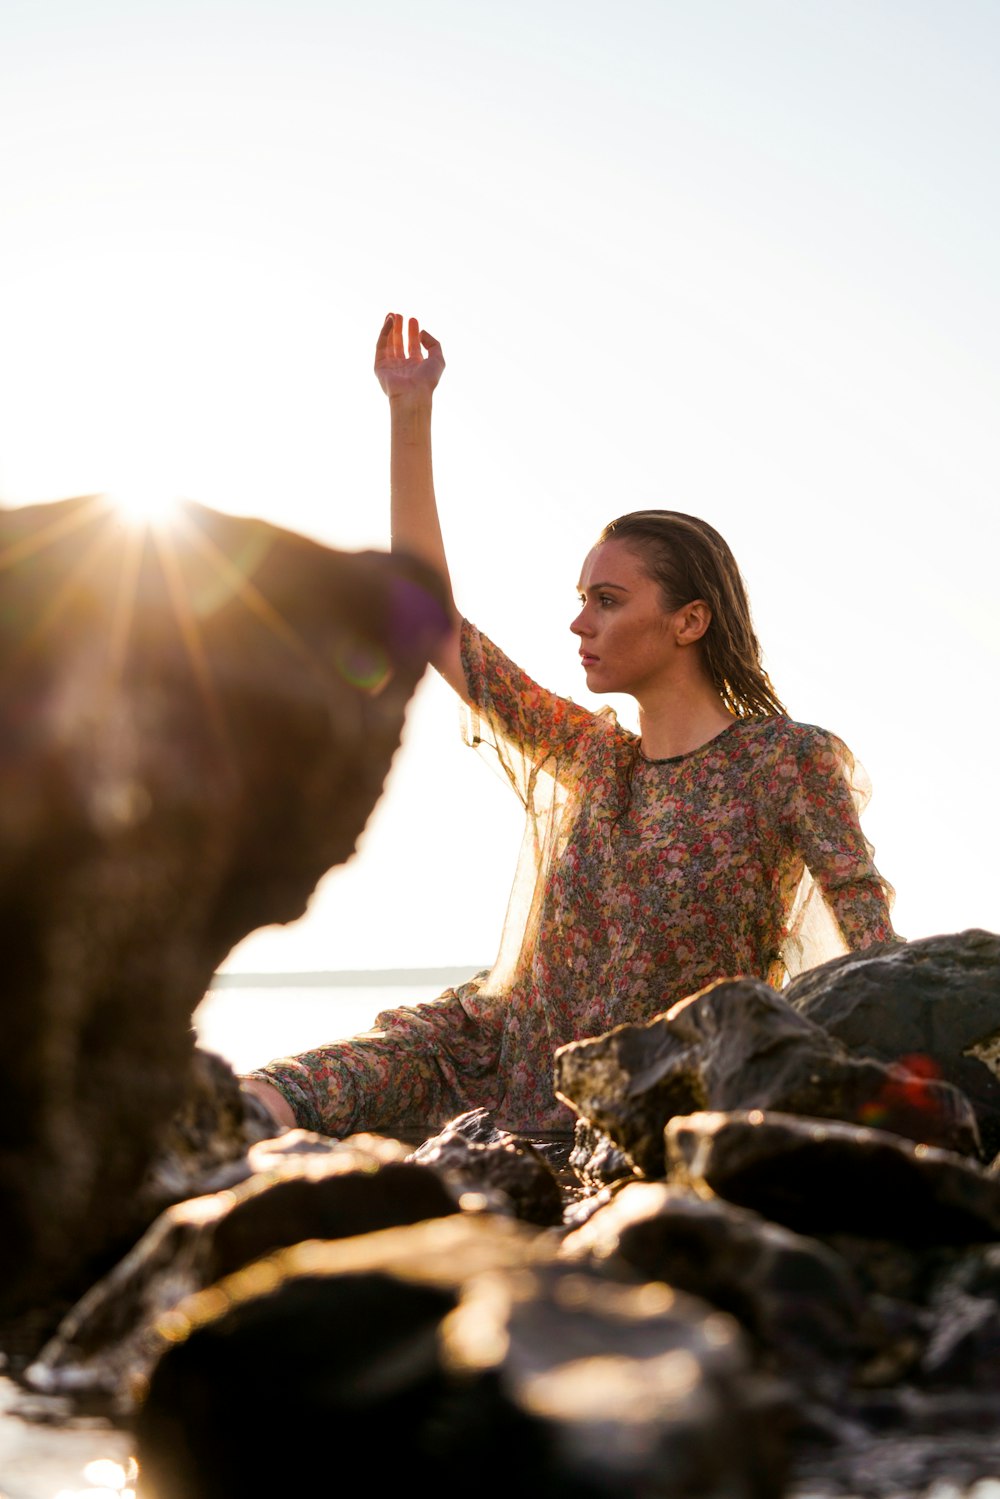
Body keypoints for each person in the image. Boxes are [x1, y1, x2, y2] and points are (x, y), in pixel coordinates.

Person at [241, 312, 895, 1139]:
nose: (580, 622)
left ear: (690, 621)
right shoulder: (591, 755)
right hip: (490, 1056)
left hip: (653, 1100)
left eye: (608, 601)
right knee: (267, 1099)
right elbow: (433, 622)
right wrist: (411, 415)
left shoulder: (787, 761)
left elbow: (874, 943)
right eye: (581, 598)